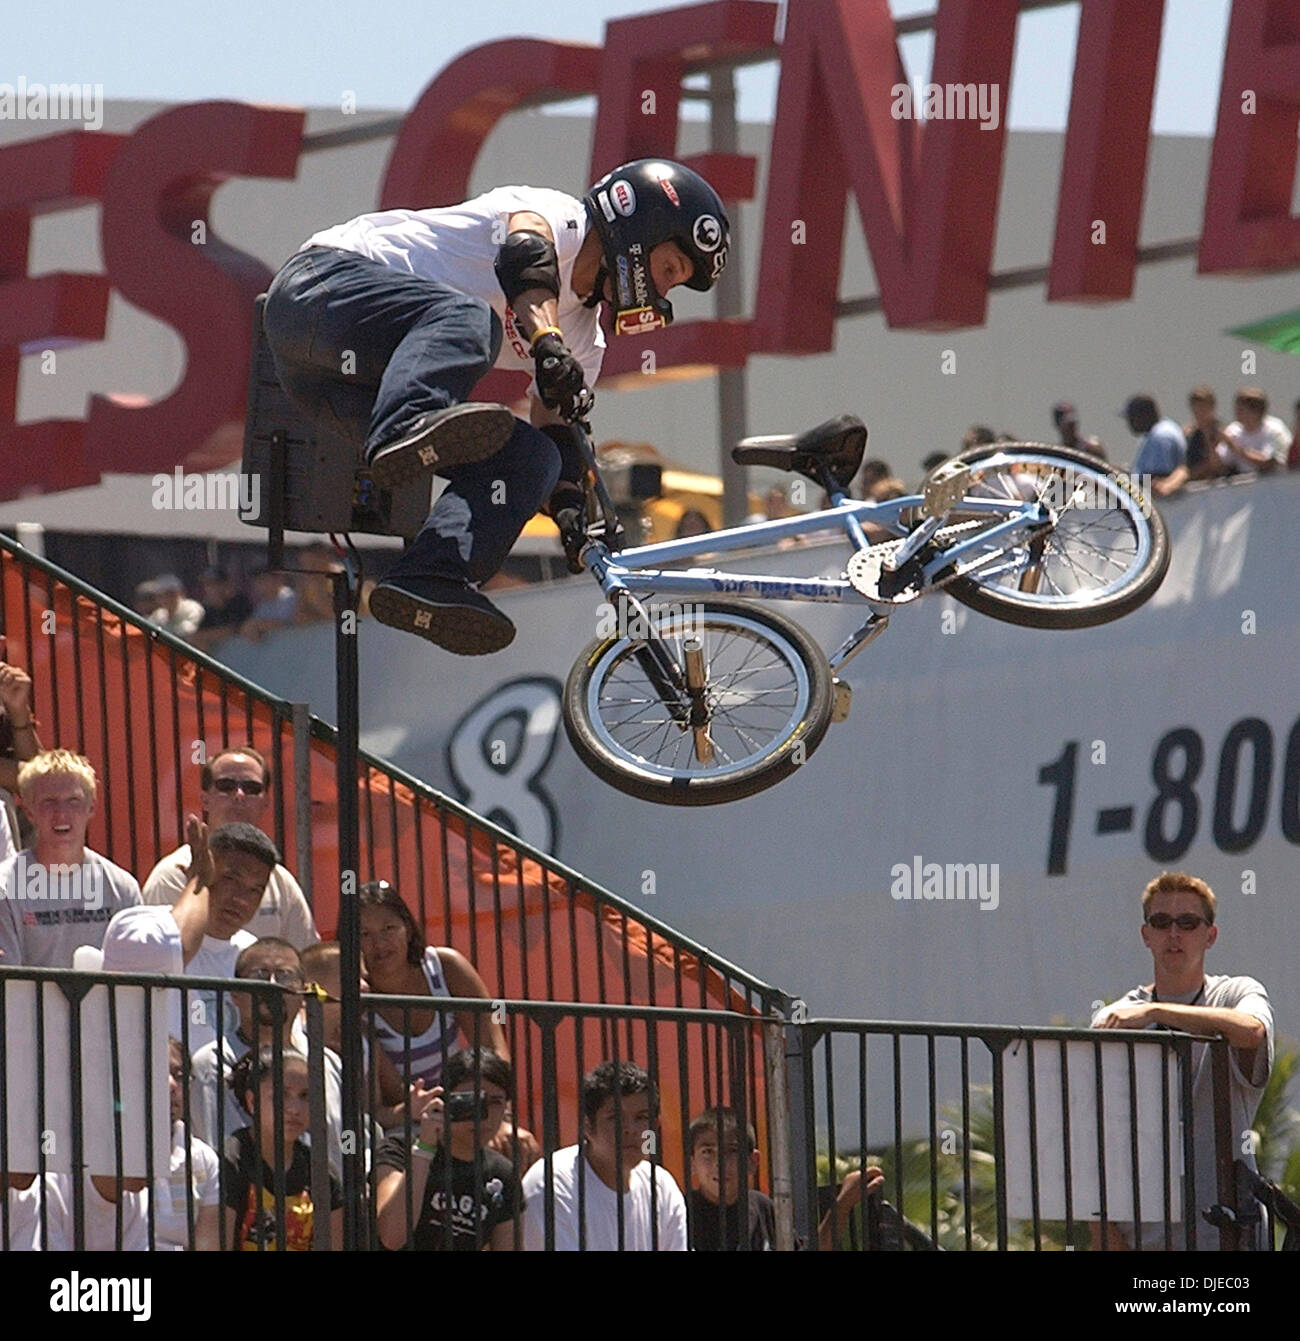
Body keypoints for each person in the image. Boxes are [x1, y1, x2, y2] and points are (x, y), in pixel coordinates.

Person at [262, 159, 730, 656]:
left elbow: (556, 430)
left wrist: (570, 506)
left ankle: (433, 573)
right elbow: (524, 255)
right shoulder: (559, 217)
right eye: (669, 270)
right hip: (319, 293)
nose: (663, 292)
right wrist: (546, 341)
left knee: (531, 458)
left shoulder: (586, 342)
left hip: (332, 389)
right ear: (641, 228)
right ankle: (405, 425)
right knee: (469, 318)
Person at [1091, 871, 1273, 1250]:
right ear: (1146, 935)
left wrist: (1158, 1011)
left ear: (1210, 935)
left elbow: (1251, 1030)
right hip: (1141, 1237)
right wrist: (1106, 1238)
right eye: (1161, 922)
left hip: (1227, 1232)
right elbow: (1090, 1143)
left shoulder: (1235, 991)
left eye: (1188, 922)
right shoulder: (1117, 1016)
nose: (1174, 934)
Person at [189, 938, 345, 1181]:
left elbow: (343, 1143)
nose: (273, 986)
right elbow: (222, 1153)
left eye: (285, 976)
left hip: (329, 1209)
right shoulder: (213, 1063)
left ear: (303, 993)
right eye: (260, 976)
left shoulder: (327, 1062)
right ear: (236, 994)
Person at [142, 745, 317, 949]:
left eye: (252, 788)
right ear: (204, 800)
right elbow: (160, 955)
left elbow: (304, 955)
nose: (239, 795)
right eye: (226, 786)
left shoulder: (281, 881)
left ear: (265, 803)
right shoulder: (173, 875)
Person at [521, 1060, 688, 1251]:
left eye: (642, 1117)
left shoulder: (661, 1185)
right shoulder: (551, 1184)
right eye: (615, 1118)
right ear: (587, 1127)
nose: (631, 1130)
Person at [359, 879, 507, 1089]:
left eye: (389, 928)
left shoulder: (446, 966)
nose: (379, 943)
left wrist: (496, 1106)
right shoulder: (356, 996)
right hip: (400, 1117)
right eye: (364, 934)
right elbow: (392, 1091)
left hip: (459, 1108)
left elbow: (493, 1046)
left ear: (408, 930)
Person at [0, 750, 141, 967]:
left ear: (91, 807)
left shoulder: (122, 888)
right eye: (49, 802)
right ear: (29, 812)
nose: (61, 814)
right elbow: (9, 984)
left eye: (73, 801)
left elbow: (137, 976)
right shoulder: (5, 887)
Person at [374, 1047, 522, 1251]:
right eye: (471, 1101)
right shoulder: (398, 1149)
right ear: (445, 1100)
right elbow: (392, 1236)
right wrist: (424, 1149)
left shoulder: (503, 1174)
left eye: (495, 1102)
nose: (483, 1115)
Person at [168, 819, 281, 1054]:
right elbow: (173, 950)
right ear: (206, 867)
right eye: (231, 880)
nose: (241, 899)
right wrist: (197, 885)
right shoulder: (156, 932)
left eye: (255, 890)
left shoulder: (255, 954)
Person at [222, 1045, 343, 1251]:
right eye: (281, 1095)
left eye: (305, 1096)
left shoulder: (323, 1173)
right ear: (252, 1101)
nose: (295, 1109)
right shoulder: (230, 1162)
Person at [687, 1107, 776, 1251]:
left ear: (753, 1161)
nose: (720, 1162)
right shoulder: (679, 1211)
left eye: (732, 1150)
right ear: (692, 1163)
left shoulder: (763, 1208)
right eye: (707, 1151)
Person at [1121, 393, 1187, 497]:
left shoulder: (1161, 436)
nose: (1129, 423)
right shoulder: (1157, 431)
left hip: (1163, 505)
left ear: (1144, 416)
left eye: (1132, 417)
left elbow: (1159, 477)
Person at [1221, 386, 1292, 472]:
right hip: (1243, 481)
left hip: (1273, 481)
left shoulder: (1275, 430)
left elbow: (1268, 463)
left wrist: (1235, 447)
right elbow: (1221, 464)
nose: (1236, 412)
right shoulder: (1233, 430)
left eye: (1241, 408)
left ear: (1257, 411)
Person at [190, 568, 253, 652]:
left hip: (244, 652)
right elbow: (195, 637)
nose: (212, 589)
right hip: (219, 657)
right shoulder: (202, 611)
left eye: (216, 584)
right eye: (207, 585)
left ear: (226, 585)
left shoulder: (239, 602)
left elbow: (241, 628)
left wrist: (210, 635)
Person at [1182, 385, 1228, 482]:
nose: (1199, 412)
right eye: (1196, 408)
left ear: (1212, 407)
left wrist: (1208, 437)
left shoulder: (1222, 433)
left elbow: (1217, 466)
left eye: (1203, 408)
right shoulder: (1188, 434)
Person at [239, 567, 299, 641]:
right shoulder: (262, 605)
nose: (259, 585)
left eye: (263, 579)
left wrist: (258, 625)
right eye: (256, 581)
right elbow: (251, 626)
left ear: (278, 579)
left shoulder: (289, 597)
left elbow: (287, 624)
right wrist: (247, 627)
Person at [146, 574, 205, 638]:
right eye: (162, 595)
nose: (167, 598)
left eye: (171, 594)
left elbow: (188, 632)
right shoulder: (158, 615)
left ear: (181, 593)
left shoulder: (192, 608)